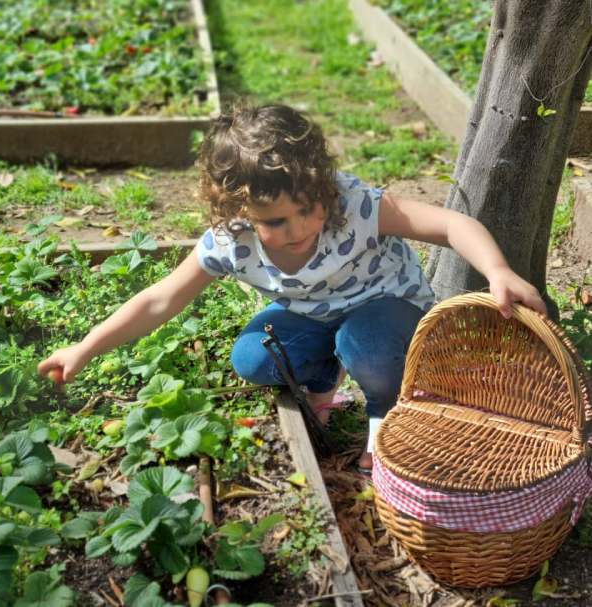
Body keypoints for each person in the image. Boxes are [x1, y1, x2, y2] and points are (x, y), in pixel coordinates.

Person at [38, 104, 547, 472]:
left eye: (310, 206)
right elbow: (160, 298)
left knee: (366, 344)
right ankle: (326, 379)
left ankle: (384, 416)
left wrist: (497, 270)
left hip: (385, 307)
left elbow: (449, 225)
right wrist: (85, 347)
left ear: (322, 185)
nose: (302, 226)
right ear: (238, 212)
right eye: (278, 221)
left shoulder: (353, 205)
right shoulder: (229, 243)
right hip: (312, 312)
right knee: (255, 358)